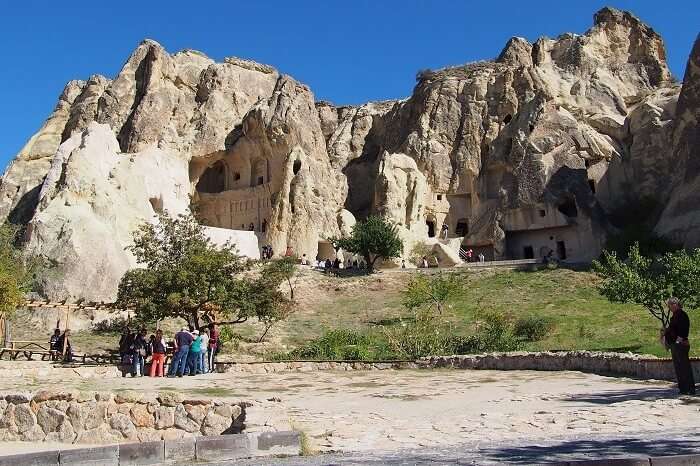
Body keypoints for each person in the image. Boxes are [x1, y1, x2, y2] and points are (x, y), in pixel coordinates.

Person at [664, 297, 696, 395]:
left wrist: (677, 342)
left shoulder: (681, 315)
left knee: (684, 367)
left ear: (675, 304)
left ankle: (689, 389)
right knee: (679, 368)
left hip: (680, 344)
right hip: (675, 344)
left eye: (670, 305)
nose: (669, 307)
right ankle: (683, 389)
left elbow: (682, 331)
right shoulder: (675, 316)